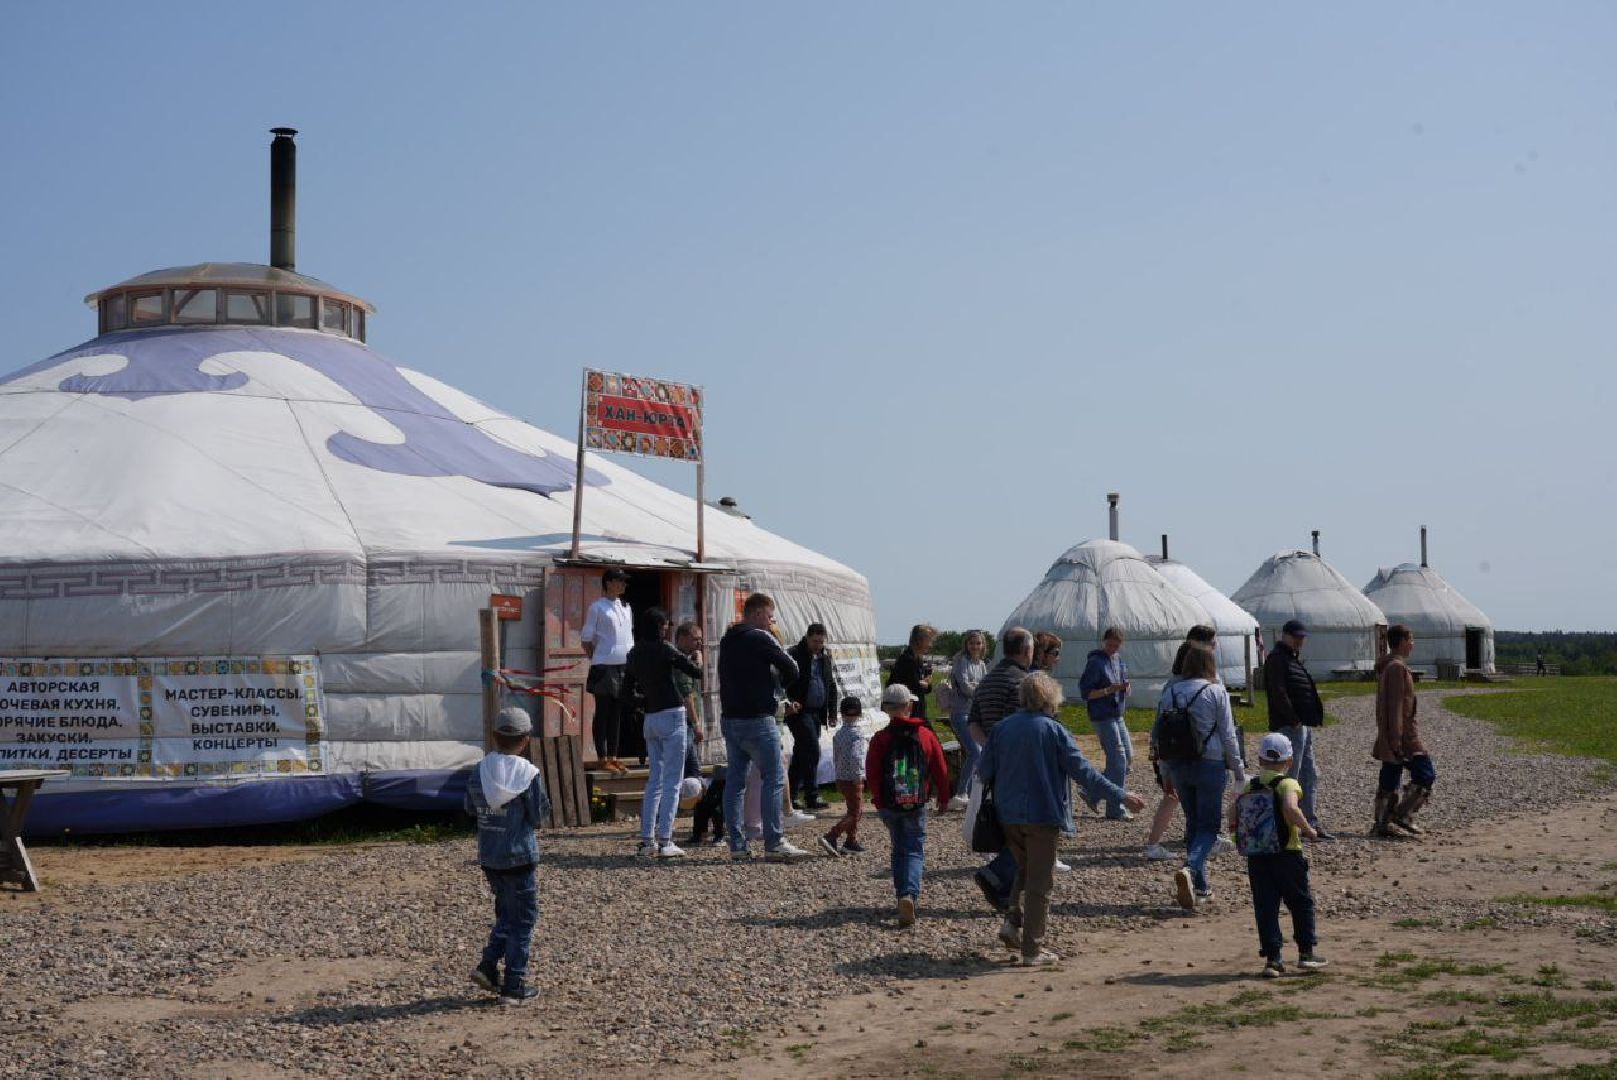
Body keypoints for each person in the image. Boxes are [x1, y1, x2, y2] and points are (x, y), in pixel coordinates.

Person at [979, 673, 1146, 966]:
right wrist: (1121, 795)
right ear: (1050, 697)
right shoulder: (1054, 731)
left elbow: (983, 771)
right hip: (1042, 815)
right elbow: (1085, 773)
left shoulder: (1002, 729)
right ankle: (1032, 949)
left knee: (1024, 870)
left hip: (1007, 815)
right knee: (1040, 884)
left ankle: (1012, 922)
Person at [464, 706, 551, 1005]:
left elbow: (468, 807)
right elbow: (538, 816)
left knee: (506, 913)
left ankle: (489, 966)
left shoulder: (480, 770)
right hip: (519, 855)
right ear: (525, 740)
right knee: (523, 919)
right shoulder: (527, 774)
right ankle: (514, 984)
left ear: (494, 735)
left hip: (489, 855)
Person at [1153, 643, 1247, 910]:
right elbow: (1228, 735)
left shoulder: (1170, 692)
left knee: (1194, 823)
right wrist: (1239, 770)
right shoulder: (1215, 691)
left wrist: (1165, 770)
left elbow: (1160, 732)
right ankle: (1190, 867)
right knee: (1208, 827)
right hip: (1210, 762)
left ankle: (1201, 887)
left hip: (1179, 764)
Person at [719, 593, 809, 860]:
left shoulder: (727, 640)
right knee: (774, 777)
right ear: (758, 614)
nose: (772, 622)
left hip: (730, 718)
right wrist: (778, 685)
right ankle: (774, 841)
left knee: (735, 782)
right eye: (770, 617)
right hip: (758, 718)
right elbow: (792, 667)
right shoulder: (760, 638)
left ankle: (737, 844)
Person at [1229, 732, 1327, 978]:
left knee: (1266, 906)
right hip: (1287, 852)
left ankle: (1273, 959)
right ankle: (1306, 953)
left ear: (1260, 760)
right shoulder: (1288, 784)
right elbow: (1290, 808)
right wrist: (1309, 830)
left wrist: (1236, 837)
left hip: (1257, 855)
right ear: (1289, 762)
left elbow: (1231, 813)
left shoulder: (1249, 786)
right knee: (1300, 902)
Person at [865, 684, 951, 926]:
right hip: (916, 801)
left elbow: (872, 773)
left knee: (898, 848)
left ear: (887, 709)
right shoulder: (925, 735)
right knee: (914, 848)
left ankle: (902, 894)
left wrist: (879, 802)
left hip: (890, 804)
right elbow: (941, 769)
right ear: (909, 706)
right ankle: (909, 894)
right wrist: (944, 798)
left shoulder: (880, 739)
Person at [626, 607, 704, 858]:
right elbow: (696, 673)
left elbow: (626, 692)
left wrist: (643, 701)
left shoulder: (634, 653)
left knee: (654, 781)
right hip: (672, 713)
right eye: (666, 625)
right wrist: (697, 658)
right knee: (672, 781)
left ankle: (647, 839)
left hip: (650, 717)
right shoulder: (666, 649)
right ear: (660, 627)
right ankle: (666, 839)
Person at [968, 627, 1034, 914]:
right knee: (1030, 829)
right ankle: (997, 873)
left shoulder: (987, 679)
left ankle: (1008, 892)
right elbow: (1015, 726)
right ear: (1026, 651)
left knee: (1007, 823)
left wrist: (990, 748)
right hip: (1016, 763)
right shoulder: (1021, 682)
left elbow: (973, 722)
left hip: (993, 762)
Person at [1262, 619, 1333, 839]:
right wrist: (1293, 719)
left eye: (1302, 637)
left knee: (1309, 775)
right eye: (1296, 636)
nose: (1300, 641)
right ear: (1285, 635)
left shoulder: (1291, 659)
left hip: (1302, 725)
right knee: (1289, 778)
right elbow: (1278, 692)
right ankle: (1284, 823)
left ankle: (1308, 822)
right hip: (1290, 726)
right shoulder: (1277, 659)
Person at [1373, 624, 1436, 838]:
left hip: (1394, 733)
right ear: (1401, 642)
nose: (1413, 644)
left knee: (1390, 775)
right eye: (1410, 639)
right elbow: (1396, 706)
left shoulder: (1389, 667)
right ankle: (1403, 814)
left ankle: (1382, 823)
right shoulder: (1397, 668)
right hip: (1404, 735)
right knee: (1426, 774)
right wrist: (1397, 739)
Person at [582, 567, 634, 773]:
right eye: (620, 581)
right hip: (604, 665)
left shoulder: (627, 607)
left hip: (624, 665)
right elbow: (586, 639)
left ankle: (613, 756)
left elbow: (628, 636)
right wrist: (597, 657)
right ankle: (602, 757)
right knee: (603, 711)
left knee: (617, 713)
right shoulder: (597, 607)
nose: (623, 585)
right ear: (609, 582)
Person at [1078, 627, 1133, 820]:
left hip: (1117, 714)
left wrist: (1126, 688)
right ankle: (1115, 808)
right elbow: (1086, 693)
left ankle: (1091, 791)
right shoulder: (1095, 662)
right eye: (1109, 644)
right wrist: (1109, 690)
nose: (1112, 648)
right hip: (1102, 716)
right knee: (1118, 761)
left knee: (1128, 758)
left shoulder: (1118, 660)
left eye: (1116, 646)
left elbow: (1122, 680)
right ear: (1104, 642)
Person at [786, 623, 840, 811]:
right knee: (811, 749)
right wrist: (790, 702)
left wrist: (832, 712)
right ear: (807, 637)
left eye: (821, 641)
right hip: (800, 712)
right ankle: (811, 794)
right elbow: (784, 682)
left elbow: (830, 685)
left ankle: (793, 796)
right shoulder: (794, 655)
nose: (818, 645)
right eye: (815, 641)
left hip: (817, 713)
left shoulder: (825, 658)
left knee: (802, 753)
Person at [945, 630, 989, 810]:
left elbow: (983, 686)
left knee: (980, 751)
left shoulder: (982, 665)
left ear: (983, 645)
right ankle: (961, 792)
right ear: (967, 644)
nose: (975, 646)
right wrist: (979, 690)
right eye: (972, 643)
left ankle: (970, 794)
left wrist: (978, 689)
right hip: (961, 712)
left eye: (978, 643)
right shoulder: (962, 661)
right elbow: (965, 687)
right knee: (975, 752)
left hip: (975, 712)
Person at [820, 695, 870, 856]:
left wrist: (837, 774)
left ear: (842, 714)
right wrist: (859, 774)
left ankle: (851, 841)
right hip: (853, 778)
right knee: (856, 812)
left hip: (841, 776)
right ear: (860, 714)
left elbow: (836, 756)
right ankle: (832, 835)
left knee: (853, 809)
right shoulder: (858, 735)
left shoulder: (839, 734)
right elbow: (857, 756)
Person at [673, 621, 705, 780]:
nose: (699, 643)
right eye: (695, 639)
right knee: (683, 769)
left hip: (688, 724)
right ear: (683, 639)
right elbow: (688, 696)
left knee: (694, 771)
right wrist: (696, 724)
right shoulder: (681, 663)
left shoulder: (689, 660)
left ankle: (692, 803)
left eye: (700, 639)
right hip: (684, 723)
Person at [888, 623, 938, 721]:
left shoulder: (917, 659)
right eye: (929, 640)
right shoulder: (907, 660)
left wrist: (927, 685)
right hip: (906, 712)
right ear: (919, 640)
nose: (930, 645)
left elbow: (924, 688)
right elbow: (912, 687)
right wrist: (924, 685)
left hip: (916, 711)